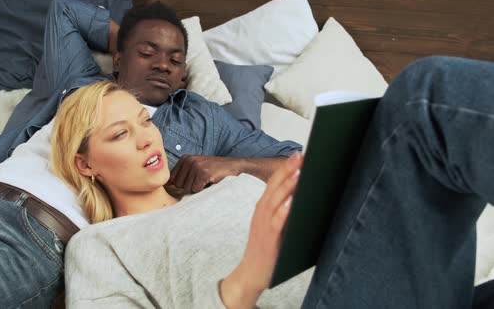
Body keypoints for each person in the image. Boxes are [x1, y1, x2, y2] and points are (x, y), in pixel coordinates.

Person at [59, 55, 494, 308]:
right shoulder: (100, 247)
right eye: (119, 135)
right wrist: (245, 280)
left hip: (381, 284)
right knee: (424, 100)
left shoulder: (220, 185)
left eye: (144, 122)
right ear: (85, 166)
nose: (145, 139)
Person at [0, 0, 300, 196]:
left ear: (184, 75)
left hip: (33, 232)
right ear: (118, 60)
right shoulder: (80, 82)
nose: (163, 64)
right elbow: (64, 10)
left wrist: (232, 166)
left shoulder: (203, 117)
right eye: (148, 53)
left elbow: (296, 163)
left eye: (176, 60)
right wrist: (125, 42)